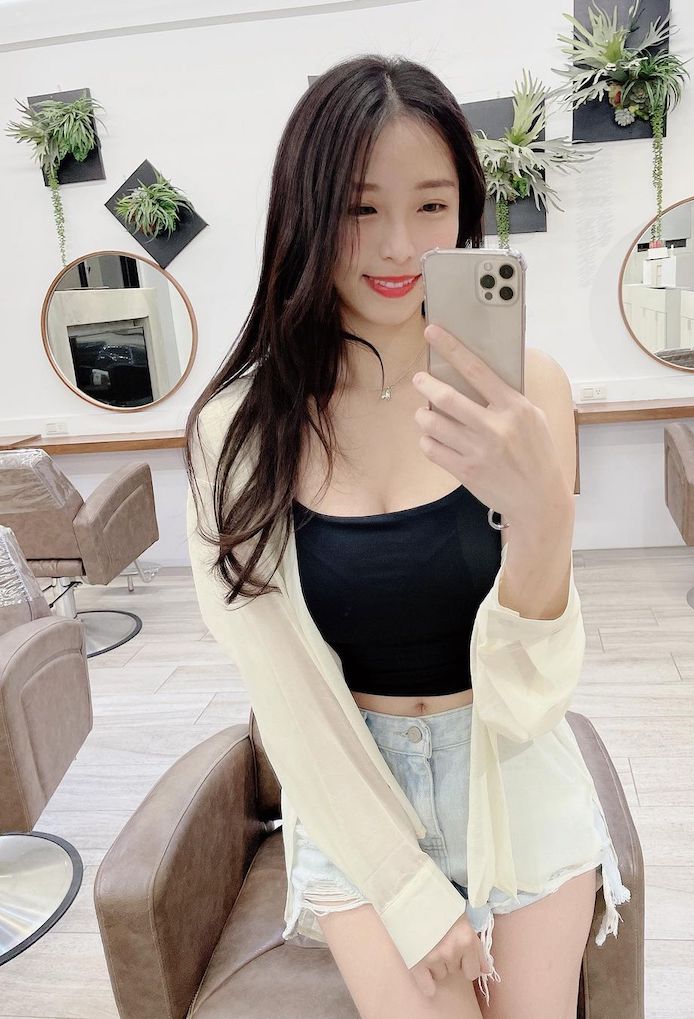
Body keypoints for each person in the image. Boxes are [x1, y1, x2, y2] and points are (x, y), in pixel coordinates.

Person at [185, 53, 630, 1019]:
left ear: (464, 210)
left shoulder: (527, 391)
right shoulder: (238, 432)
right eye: (359, 207)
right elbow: (283, 692)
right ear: (304, 214)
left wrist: (543, 515)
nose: (398, 245)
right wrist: (407, 890)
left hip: (512, 771)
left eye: (431, 205)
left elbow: (533, 686)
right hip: (350, 786)